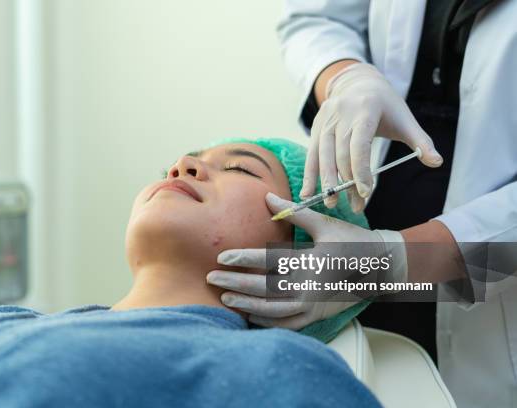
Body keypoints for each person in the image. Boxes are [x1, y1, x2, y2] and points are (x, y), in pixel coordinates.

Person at [0, 139, 380, 408]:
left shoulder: (275, 364)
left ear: (300, 251)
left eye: (239, 168)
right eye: (178, 163)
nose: (183, 165)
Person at [206, 1, 517, 407]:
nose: (184, 169)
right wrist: (346, 76)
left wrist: (387, 262)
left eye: (240, 169)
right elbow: (317, 18)